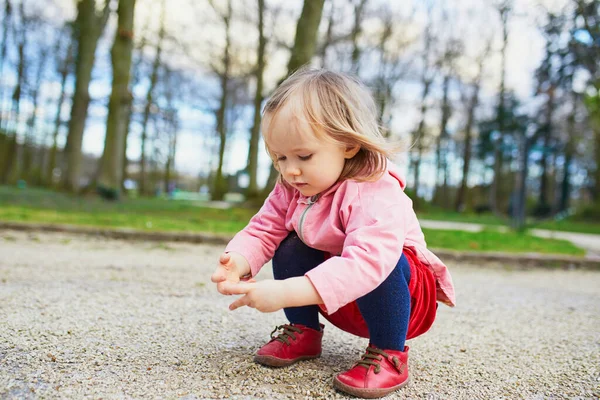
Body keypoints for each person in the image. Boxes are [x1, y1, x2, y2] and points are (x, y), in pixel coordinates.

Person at [211, 68, 455, 399]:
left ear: (349, 145)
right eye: (279, 157)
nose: (290, 169)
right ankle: (304, 330)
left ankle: (389, 353)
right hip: (342, 293)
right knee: (291, 243)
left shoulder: (374, 189)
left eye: (304, 155)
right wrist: (237, 260)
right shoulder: (294, 184)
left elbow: (367, 265)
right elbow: (265, 226)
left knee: (382, 261)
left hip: (405, 298)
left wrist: (285, 292)